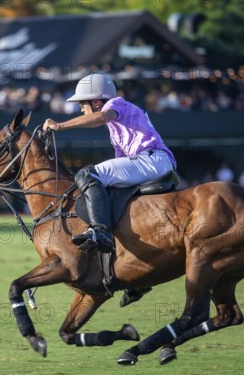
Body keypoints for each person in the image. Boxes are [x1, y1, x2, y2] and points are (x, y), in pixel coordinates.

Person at [43, 74, 177, 254]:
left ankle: (100, 231)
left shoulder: (116, 104)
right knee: (102, 182)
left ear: (97, 103)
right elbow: (118, 162)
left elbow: (100, 118)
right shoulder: (116, 130)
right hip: (151, 162)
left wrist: (59, 126)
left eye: (83, 104)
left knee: (86, 174)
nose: (82, 110)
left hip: (153, 160)